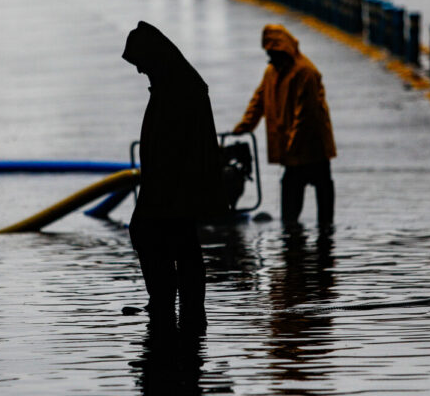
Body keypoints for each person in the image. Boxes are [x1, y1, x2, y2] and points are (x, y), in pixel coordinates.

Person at [122, 21, 229, 329]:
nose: (140, 71)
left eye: (140, 63)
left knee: (168, 240)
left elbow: (178, 148)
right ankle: (174, 305)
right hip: (170, 186)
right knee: (175, 242)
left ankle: (173, 306)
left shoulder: (178, 91)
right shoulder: (171, 84)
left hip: (176, 188)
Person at [232, 24, 336, 225]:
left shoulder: (305, 72)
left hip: (313, 147)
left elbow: (306, 116)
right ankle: (294, 236)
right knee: (292, 192)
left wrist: (289, 148)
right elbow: (259, 100)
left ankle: (323, 235)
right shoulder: (272, 72)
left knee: (319, 187)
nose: (270, 58)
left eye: (273, 53)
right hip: (292, 150)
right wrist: (244, 127)